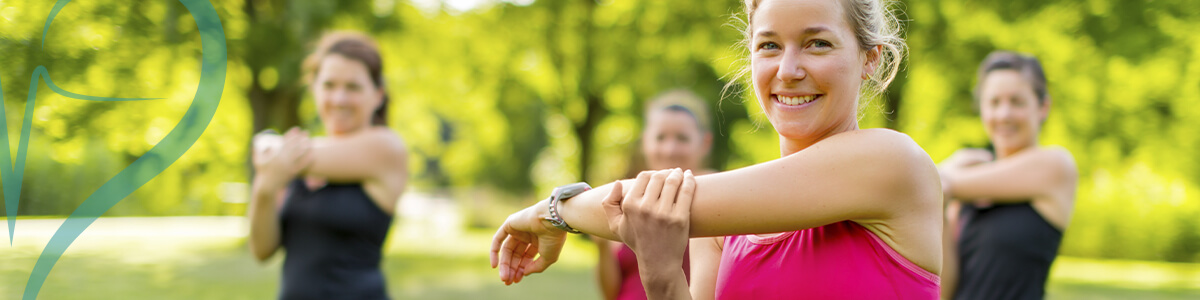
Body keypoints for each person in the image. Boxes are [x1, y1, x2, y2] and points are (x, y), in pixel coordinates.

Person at [491, 0, 943, 299]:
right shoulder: (720, 229)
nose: (787, 70)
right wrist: (664, 278)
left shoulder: (892, 163)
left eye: (817, 43)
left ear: (871, 59)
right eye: (769, 45)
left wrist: (549, 212)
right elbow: (646, 206)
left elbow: (638, 202)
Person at [248, 31, 408, 300]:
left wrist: (267, 144)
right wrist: (265, 187)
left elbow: (273, 150)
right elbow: (262, 250)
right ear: (314, 89)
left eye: (353, 87)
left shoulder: (386, 147)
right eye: (329, 85)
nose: (339, 99)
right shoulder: (300, 160)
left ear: (378, 95)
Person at [938, 51, 1078, 300]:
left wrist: (945, 174)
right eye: (994, 102)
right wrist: (941, 204)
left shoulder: (1056, 165)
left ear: (1043, 107)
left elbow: (942, 182)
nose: (1004, 114)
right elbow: (945, 291)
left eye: (1017, 102)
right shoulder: (962, 186)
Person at [595, 90, 715, 300]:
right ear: (645, 142)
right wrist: (602, 247)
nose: (670, 149)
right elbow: (610, 292)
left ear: (704, 143)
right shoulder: (626, 197)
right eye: (660, 137)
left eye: (682, 138)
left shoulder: (716, 194)